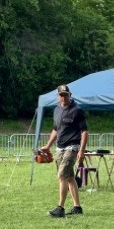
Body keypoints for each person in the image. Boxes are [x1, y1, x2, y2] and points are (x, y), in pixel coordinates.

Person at [39, 84, 88, 217]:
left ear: (70, 95)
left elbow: (84, 132)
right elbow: (56, 130)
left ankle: (60, 208)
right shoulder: (56, 110)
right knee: (70, 177)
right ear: (58, 96)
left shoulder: (77, 110)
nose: (64, 97)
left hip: (72, 147)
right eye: (61, 95)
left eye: (66, 94)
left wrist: (81, 150)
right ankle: (77, 207)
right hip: (59, 148)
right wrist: (48, 145)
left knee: (61, 176)